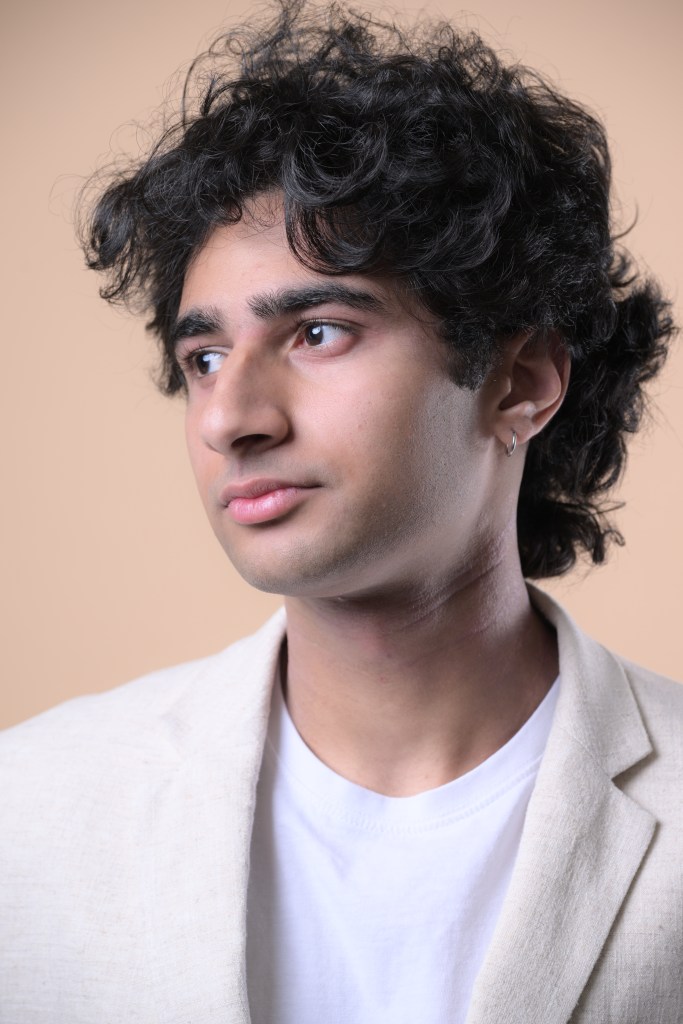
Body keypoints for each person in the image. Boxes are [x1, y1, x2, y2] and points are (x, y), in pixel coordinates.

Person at [1, 4, 681, 1022]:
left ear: (522, 381)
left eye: (317, 332)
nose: (229, 418)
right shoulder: (30, 811)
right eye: (203, 358)